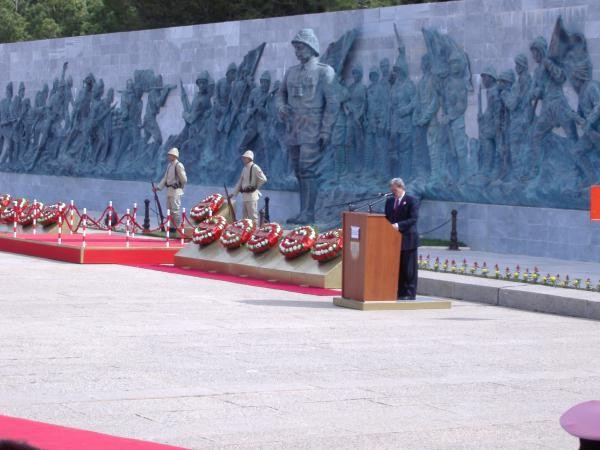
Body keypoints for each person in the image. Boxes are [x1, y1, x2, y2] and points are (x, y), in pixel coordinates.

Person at [384, 177, 419, 300]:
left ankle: (409, 293)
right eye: (392, 190)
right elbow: (387, 218)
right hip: (394, 240)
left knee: (408, 268)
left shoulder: (411, 200)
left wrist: (398, 225)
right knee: (398, 266)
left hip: (408, 238)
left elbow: (413, 219)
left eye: (395, 190)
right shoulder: (389, 202)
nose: (393, 193)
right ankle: (399, 291)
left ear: (401, 187)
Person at [153, 147, 187, 232]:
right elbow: (165, 178)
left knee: (175, 211)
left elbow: (184, 179)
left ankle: (178, 228)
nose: (168, 157)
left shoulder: (178, 165)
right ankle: (172, 227)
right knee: (169, 210)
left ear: (174, 156)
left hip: (175, 191)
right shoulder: (169, 165)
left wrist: (179, 186)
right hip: (169, 191)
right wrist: (158, 187)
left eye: (170, 155)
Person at [229, 150, 267, 222]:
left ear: (250, 158)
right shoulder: (244, 168)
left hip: (252, 196)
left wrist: (255, 187)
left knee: (253, 216)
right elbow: (240, 182)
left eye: (245, 157)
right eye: (244, 157)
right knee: (245, 217)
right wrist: (233, 194)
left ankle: (254, 231)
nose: (243, 159)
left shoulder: (255, 167)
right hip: (245, 196)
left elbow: (263, 179)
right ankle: (247, 231)